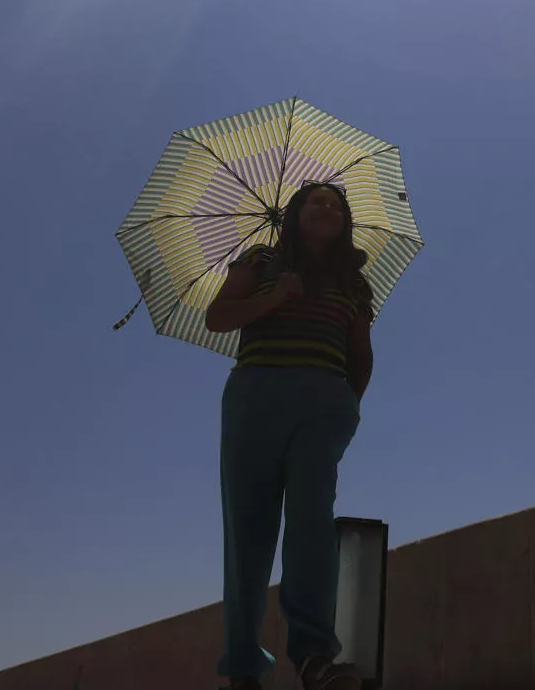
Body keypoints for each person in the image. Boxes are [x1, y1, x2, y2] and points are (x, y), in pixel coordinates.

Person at [205, 182, 374, 690]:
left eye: (337, 206)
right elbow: (217, 317)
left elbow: (360, 351)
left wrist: (348, 405)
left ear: (345, 222)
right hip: (255, 399)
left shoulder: (355, 282)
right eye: (316, 202)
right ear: (295, 213)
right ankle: (243, 667)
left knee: (310, 528)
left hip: (323, 405)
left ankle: (314, 657)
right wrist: (276, 294)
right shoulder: (258, 261)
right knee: (248, 535)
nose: (327, 209)